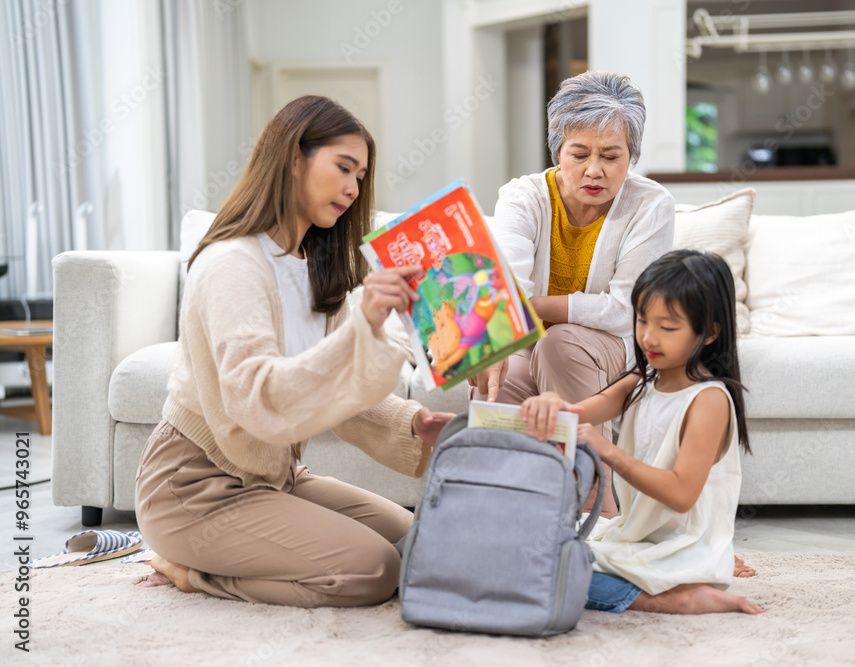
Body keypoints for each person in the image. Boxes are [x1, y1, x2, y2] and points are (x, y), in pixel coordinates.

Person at [133, 95, 454, 607]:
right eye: (343, 168)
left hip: (273, 476)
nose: (352, 188)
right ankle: (188, 572)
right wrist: (363, 325)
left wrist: (413, 423)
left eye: (361, 176)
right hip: (195, 487)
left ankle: (233, 551)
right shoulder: (232, 264)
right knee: (374, 570)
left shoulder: (313, 268)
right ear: (292, 158)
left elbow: (327, 390)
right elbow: (260, 396)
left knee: (415, 539)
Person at [470, 71, 675, 518]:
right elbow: (508, 287)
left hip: (607, 349)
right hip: (534, 341)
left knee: (557, 341)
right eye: (579, 153)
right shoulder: (523, 197)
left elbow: (625, 312)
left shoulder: (650, 204)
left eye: (611, 156)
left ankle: (596, 506)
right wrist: (496, 340)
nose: (594, 170)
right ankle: (502, 515)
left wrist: (540, 309)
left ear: (631, 156)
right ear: (558, 150)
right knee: (497, 369)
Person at [521, 250, 763, 615]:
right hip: (637, 536)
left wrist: (609, 451)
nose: (648, 338)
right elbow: (573, 415)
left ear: (710, 332)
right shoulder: (643, 380)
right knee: (523, 542)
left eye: (667, 327)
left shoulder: (709, 400)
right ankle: (694, 570)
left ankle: (675, 595)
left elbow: (681, 494)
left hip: (677, 546)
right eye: (642, 320)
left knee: (542, 569)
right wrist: (551, 403)